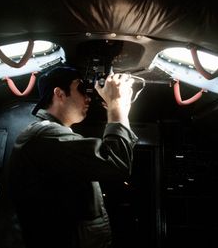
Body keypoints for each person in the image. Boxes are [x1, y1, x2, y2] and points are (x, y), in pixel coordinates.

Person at [8, 65, 138, 248]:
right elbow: (117, 162)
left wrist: (119, 108)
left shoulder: (50, 136)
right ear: (60, 94)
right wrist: (116, 105)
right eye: (81, 89)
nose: (88, 97)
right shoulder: (45, 136)